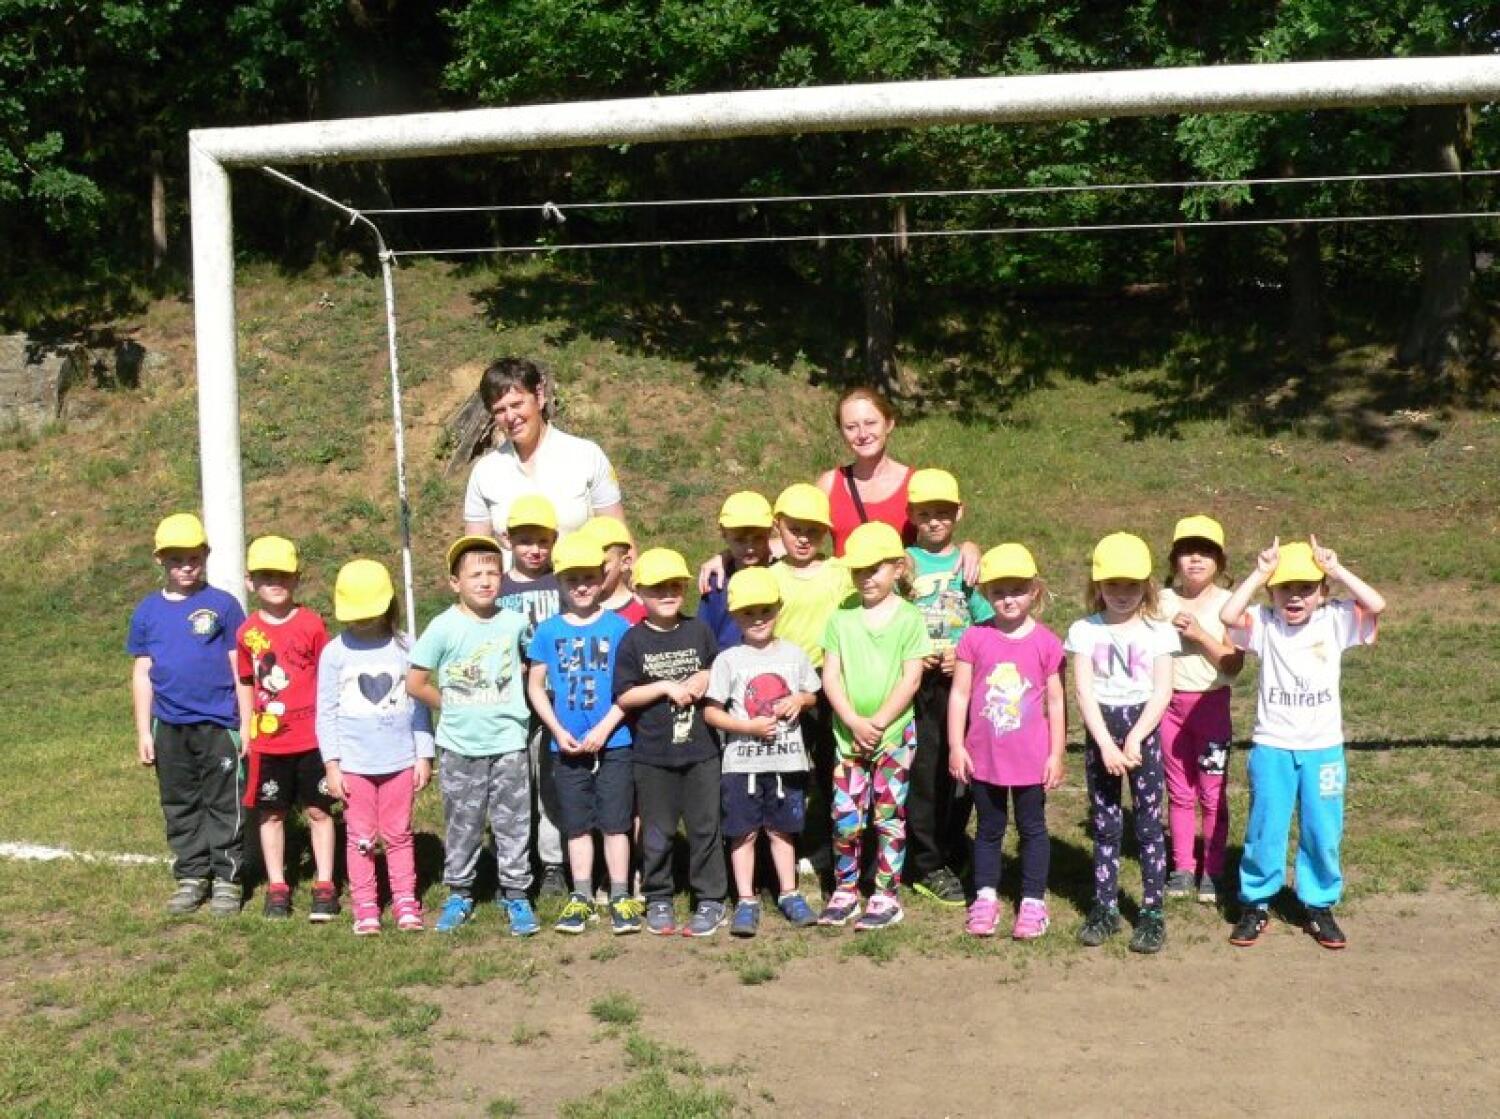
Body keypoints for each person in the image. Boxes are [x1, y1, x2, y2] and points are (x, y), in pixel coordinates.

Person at [1221, 537, 1385, 950]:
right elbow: (1227, 615)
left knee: (1322, 829)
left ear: (1323, 593)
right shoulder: (1263, 622)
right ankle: (1256, 902)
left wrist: (1336, 570)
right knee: (1265, 828)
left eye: (1306, 588)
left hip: (1324, 749)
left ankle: (1318, 903)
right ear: (1271, 593)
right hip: (1272, 747)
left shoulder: (1336, 620)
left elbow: (1376, 604)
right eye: (1285, 588)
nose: (1295, 597)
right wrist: (1260, 572)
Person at [409, 536, 538, 937]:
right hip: (459, 745)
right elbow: (415, 682)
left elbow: (534, 666)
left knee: (513, 823)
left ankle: (515, 893)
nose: (485, 581)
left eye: (492, 573)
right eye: (475, 574)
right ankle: (460, 892)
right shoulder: (443, 627)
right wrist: (448, 705)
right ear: (455, 582)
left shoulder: (516, 623)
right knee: (463, 823)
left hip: (509, 741)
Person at [1065, 532, 1180, 954]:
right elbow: (1084, 692)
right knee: (1105, 822)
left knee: (1148, 825)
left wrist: (1135, 737)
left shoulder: (1159, 632)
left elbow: (1162, 691)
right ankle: (1105, 907)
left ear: (1146, 585)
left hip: (1142, 731)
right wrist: (1106, 745)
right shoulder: (1084, 631)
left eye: (1132, 584)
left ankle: (1151, 912)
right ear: (1098, 585)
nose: (1122, 593)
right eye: (1113, 584)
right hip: (1102, 732)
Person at [129, 513, 248, 917]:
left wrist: (246, 721)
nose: (186, 567)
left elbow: (239, 666)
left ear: (206, 556)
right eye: (176, 559)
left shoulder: (223, 605)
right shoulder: (147, 612)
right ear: (159, 560)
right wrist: (144, 730)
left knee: (223, 801)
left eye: (193, 558)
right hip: (169, 725)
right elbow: (142, 672)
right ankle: (192, 875)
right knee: (179, 801)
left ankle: (228, 877)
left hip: (218, 722)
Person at [947, 544, 1066, 939]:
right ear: (985, 593)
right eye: (998, 591)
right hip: (984, 756)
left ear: (1035, 590)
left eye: (1017, 590)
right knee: (988, 828)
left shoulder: (1047, 642)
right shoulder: (974, 637)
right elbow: (960, 694)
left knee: (1032, 827)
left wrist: (1056, 753)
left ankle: (1032, 901)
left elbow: (1056, 701)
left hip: (1032, 759)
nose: (1008, 599)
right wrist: (956, 745)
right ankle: (985, 897)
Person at [818, 522, 931, 931]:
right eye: (858, 570)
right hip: (848, 738)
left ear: (897, 568)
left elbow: (911, 678)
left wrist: (879, 723)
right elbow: (831, 676)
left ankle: (886, 895)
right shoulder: (841, 617)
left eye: (874, 568)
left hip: (894, 737)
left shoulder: (909, 618)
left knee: (888, 817)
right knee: (845, 819)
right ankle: (845, 890)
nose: (865, 577)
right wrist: (853, 721)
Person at [525, 535, 637, 935]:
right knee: (576, 824)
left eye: (589, 577)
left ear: (601, 578)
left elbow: (630, 688)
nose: (582, 586)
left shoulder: (620, 628)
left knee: (615, 822)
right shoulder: (547, 631)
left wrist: (606, 728)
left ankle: (620, 893)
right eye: (572, 579)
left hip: (615, 742)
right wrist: (556, 730)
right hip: (567, 745)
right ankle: (582, 894)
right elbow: (536, 686)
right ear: (559, 582)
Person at [316, 560, 434, 935]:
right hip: (354, 766)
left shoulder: (407, 646)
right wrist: (332, 764)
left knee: (399, 835)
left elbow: (419, 705)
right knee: (361, 838)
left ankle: (405, 901)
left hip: (400, 761)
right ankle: (365, 905)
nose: (364, 620)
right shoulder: (334, 653)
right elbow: (326, 712)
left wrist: (424, 754)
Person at [703, 567, 821, 937]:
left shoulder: (794, 654)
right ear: (734, 616)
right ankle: (746, 899)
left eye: (765, 611)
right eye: (748, 612)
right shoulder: (728, 659)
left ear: (778, 609)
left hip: (786, 760)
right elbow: (711, 711)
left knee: (782, 830)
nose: (758, 619)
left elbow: (813, 693)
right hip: (742, 764)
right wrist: (748, 727)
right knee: (744, 832)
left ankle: (789, 893)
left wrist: (799, 700)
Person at [613, 548, 725, 937]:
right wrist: (663, 686)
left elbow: (717, 668)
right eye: (657, 588)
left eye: (675, 586)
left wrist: (704, 677)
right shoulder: (632, 640)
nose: (667, 594)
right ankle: (658, 894)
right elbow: (625, 695)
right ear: (638, 592)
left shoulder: (699, 630)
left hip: (701, 750)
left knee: (704, 827)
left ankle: (710, 897)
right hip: (653, 754)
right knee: (657, 831)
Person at [234, 535, 337, 922]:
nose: (274, 582)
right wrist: (247, 727)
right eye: (265, 576)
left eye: (282, 574)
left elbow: (328, 677)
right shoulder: (247, 632)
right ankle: (277, 886)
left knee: (319, 810)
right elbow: (246, 681)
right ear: (250, 582)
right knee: (272, 814)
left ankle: (324, 883)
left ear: (296, 578)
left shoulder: (312, 624)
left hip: (312, 740)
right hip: (269, 743)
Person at [903, 468, 992, 906]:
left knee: (962, 773)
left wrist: (966, 654)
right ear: (911, 515)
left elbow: (988, 621)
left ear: (959, 512)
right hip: (918, 685)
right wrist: (913, 654)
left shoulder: (969, 564)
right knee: (924, 772)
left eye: (942, 512)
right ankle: (925, 861)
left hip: (962, 682)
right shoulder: (903, 563)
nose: (934, 521)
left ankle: (953, 845)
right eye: (924, 513)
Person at [767, 483, 853, 881]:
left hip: (831, 679)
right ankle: (787, 846)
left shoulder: (840, 572)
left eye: (813, 531)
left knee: (831, 768)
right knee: (787, 768)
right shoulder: (770, 576)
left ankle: (830, 845)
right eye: (795, 529)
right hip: (784, 682)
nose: (803, 539)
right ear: (778, 527)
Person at [462, 356, 628, 564]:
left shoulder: (586, 456)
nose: (510, 417)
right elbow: (475, 559)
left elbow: (621, 544)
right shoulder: (485, 472)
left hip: (580, 582)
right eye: (500, 410)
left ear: (539, 397)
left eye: (517, 404)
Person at [1157, 515, 1243, 905]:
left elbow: (1233, 664)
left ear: (1219, 561)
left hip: (1211, 707)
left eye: (1205, 552)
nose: (1195, 560)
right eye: (1187, 552)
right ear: (1174, 558)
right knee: (1178, 791)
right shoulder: (1160, 600)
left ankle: (1213, 868)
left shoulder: (1228, 604)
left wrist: (1199, 635)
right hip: (1168, 707)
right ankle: (1182, 867)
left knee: (1211, 791)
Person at [498, 494, 568, 899]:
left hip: (554, 701)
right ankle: (514, 862)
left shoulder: (562, 583)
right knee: (513, 785)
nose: (535, 549)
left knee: (551, 784)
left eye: (543, 541)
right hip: (508, 704)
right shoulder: (497, 586)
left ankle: (554, 863)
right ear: (507, 540)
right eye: (525, 540)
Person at [697, 491, 777, 650]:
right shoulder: (717, 584)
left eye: (758, 538)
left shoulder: (780, 574)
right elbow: (704, 637)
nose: (750, 548)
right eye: (740, 540)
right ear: (723, 533)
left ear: (770, 532)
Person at [581, 514, 646, 624]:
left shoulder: (644, 612)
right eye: (586, 561)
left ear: (625, 563)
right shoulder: (574, 611)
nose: (592, 569)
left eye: (602, 563)